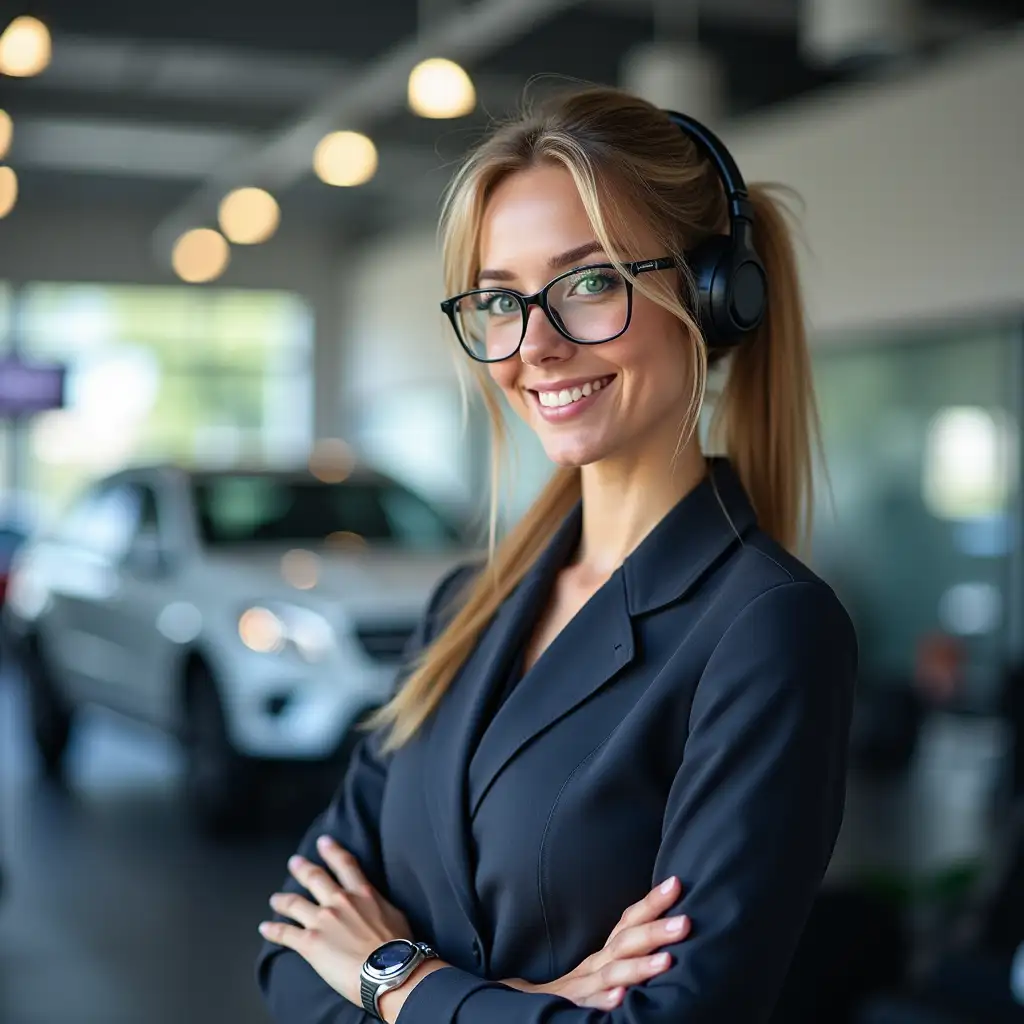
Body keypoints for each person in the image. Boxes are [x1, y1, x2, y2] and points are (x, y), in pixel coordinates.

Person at [256, 86, 857, 1024]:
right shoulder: (463, 605)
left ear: (710, 296)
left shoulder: (767, 630)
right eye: (501, 300)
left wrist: (396, 979)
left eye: (588, 282)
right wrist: (524, 1003)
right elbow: (291, 951)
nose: (532, 345)